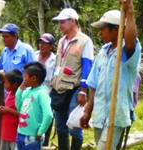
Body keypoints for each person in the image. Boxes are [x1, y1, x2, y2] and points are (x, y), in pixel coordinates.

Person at [80, 1, 142, 149]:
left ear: (116, 30)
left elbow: (131, 42)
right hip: (100, 114)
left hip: (116, 115)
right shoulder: (103, 51)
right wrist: (88, 110)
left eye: (103, 29)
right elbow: (94, 84)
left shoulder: (126, 50)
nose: (99, 33)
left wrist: (130, 12)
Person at [50, 8, 94, 150]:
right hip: (59, 87)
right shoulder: (62, 41)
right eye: (59, 22)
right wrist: (53, 83)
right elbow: (58, 64)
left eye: (63, 22)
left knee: (75, 124)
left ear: (73, 21)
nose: (60, 25)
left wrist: (83, 90)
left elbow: (87, 66)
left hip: (75, 87)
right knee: (60, 125)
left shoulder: (84, 41)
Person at [15, 62, 53, 150]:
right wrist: (19, 91)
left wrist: (40, 132)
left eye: (25, 76)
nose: (23, 78)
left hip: (33, 136)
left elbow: (48, 115)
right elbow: (19, 108)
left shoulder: (42, 93)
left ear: (33, 78)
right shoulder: (27, 91)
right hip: (21, 133)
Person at [35, 33, 56, 146]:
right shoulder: (34, 55)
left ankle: (44, 143)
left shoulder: (55, 59)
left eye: (45, 43)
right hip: (32, 93)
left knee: (46, 117)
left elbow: (57, 76)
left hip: (48, 93)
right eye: (40, 43)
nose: (41, 45)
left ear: (51, 46)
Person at [0, 69, 23, 150]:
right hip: (5, 132)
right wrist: (2, 109)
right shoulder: (8, 94)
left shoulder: (21, 97)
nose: (4, 84)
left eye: (6, 83)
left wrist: (8, 110)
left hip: (15, 134)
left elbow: (23, 115)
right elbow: (7, 107)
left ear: (15, 85)